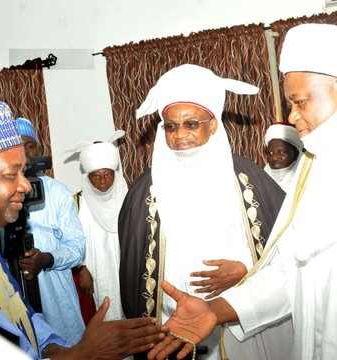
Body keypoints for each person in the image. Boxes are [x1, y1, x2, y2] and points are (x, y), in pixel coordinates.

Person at [147, 18, 337, 360]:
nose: (292, 117)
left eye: (300, 102)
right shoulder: (315, 165)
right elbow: (290, 271)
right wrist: (216, 310)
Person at [0, 100, 166, 359]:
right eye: (11, 174)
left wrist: (65, 350)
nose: (27, 186)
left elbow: (22, 315)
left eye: (25, 171)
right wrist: (82, 354)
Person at [118, 64, 289, 359]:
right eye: (170, 126)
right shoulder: (143, 194)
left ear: (213, 124)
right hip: (176, 330)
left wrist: (246, 271)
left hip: (242, 323)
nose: (180, 135)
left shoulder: (251, 180)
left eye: (191, 123)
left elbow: (290, 255)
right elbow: (135, 272)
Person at [15, 117, 85, 345]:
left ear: (39, 148)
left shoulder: (57, 193)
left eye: (30, 146)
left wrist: (46, 258)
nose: (25, 153)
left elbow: (77, 247)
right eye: (18, 147)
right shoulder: (0, 195)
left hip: (56, 296)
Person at [71, 131, 128, 321]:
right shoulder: (77, 202)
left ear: (115, 173)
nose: (103, 180)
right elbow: (72, 239)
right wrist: (81, 269)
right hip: (94, 271)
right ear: (88, 177)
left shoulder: (129, 198)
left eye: (107, 174)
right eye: (96, 175)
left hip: (126, 267)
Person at [264, 124, 303, 192]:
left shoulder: (306, 180)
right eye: (270, 153)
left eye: (282, 152)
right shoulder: (262, 179)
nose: (274, 157)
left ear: (296, 153)